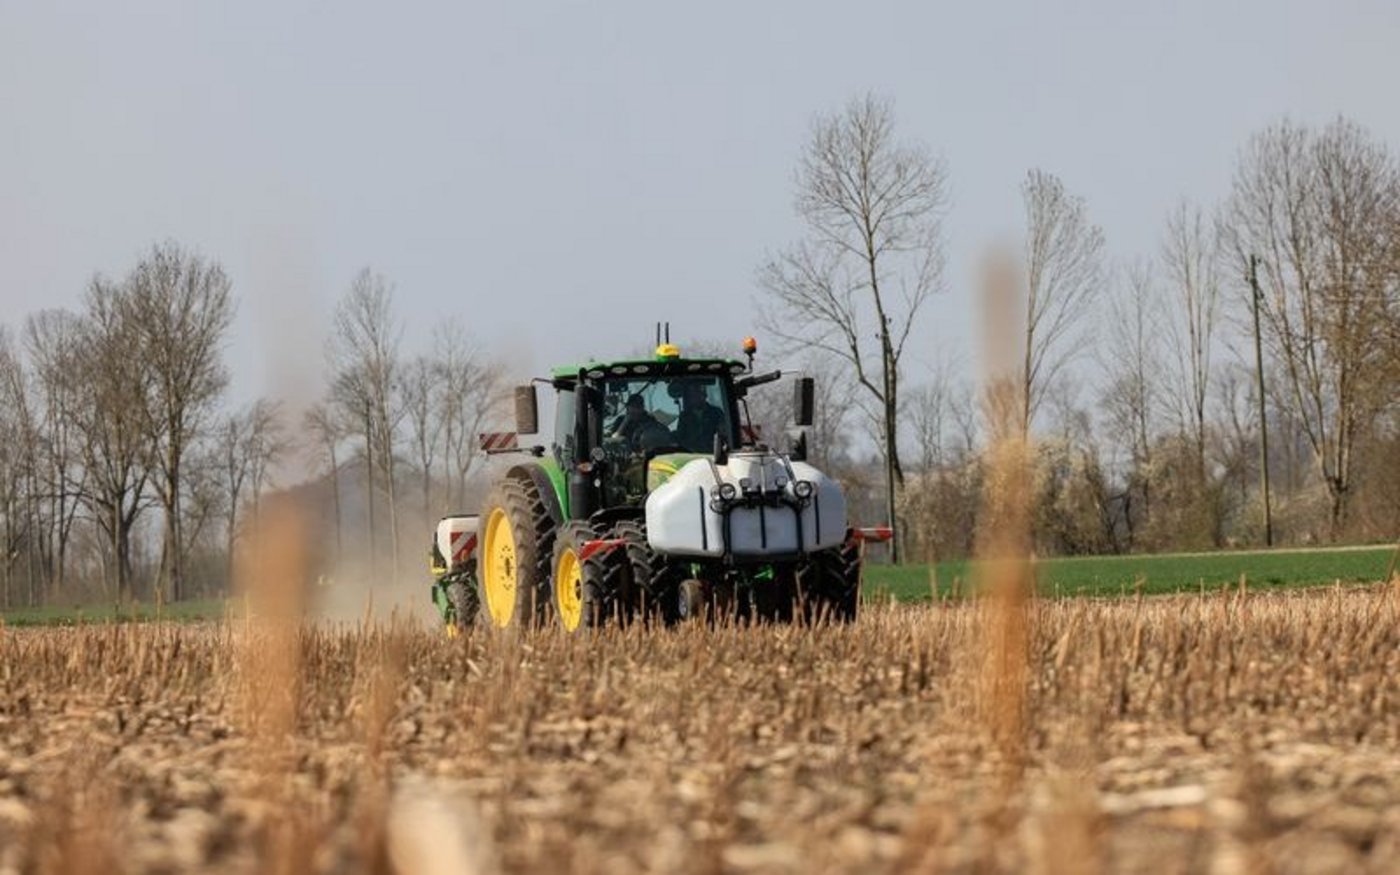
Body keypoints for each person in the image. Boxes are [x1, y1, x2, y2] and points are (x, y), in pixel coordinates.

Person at [674, 382, 727, 451]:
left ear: (704, 395)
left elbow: (724, 433)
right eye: (692, 395)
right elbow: (680, 438)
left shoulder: (716, 413)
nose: (696, 397)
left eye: (698, 394)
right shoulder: (684, 416)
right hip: (691, 455)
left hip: (714, 453)